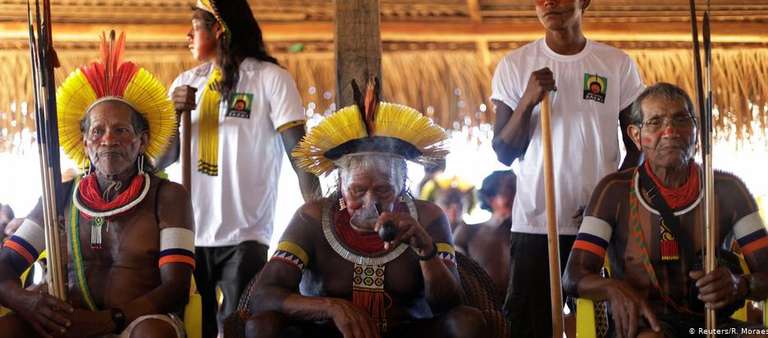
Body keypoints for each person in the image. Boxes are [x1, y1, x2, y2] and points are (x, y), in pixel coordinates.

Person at [244, 84, 485, 338]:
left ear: (402, 186)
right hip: (327, 332)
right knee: (262, 326)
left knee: (466, 322)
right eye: (357, 190)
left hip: (406, 331)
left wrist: (427, 252)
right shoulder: (312, 218)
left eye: (383, 190)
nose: (370, 202)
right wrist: (332, 307)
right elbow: (263, 297)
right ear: (340, 185)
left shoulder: (428, 217)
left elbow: (450, 305)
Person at [0, 31, 193, 338]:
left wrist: (109, 321)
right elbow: (5, 265)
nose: (108, 140)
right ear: (85, 142)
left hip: (135, 323)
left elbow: (176, 288)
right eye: (98, 131)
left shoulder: (167, 197)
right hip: (66, 325)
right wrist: (26, 302)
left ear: (142, 141)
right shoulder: (59, 196)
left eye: (121, 130)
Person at [563, 83, 768, 337]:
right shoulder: (613, 192)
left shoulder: (728, 190)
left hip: (711, 327)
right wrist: (612, 288)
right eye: (655, 122)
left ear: (697, 131)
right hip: (646, 326)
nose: (670, 131)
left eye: (681, 119)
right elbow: (573, 276)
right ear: (635, 136)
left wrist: (740, 284)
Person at [165, 0, 321, 336]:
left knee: (236, 325)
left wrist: (318, 211)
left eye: (194, 26)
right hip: (191, 231)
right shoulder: (186, 83)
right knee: (192, 326)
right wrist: (176, 115)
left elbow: (298, 151)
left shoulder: (270, 78)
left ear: (219, 28)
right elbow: (162, 159)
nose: (186, 36)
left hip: (246, 232)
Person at [489, 0, 645, 335]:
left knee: (603, 327)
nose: (548, 3)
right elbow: (503, 151)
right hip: (535, 223)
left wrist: (608, 202)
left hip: (599, 227)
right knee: (531, 327)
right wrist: (527, 100)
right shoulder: (515, 65)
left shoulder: (616, 64)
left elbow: (639, 148)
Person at [453, 170, 516, 300]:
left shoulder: (529, 236)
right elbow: (457, 278)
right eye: (511, 189)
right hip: (483, 310)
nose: (517, 196)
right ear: (492, 199)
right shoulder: (468, 232)